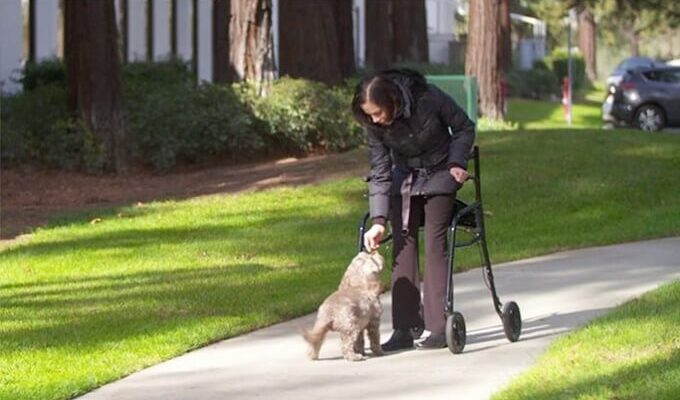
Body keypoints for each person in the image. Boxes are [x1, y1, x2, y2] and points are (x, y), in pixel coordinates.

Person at [351, 69, 475, 351]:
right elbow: (381, 171)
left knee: (434, 243)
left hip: (442, 172)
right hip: (405, 180)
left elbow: (465, 127)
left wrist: (457, 162)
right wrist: (379, 220)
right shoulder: (375, 127)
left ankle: (438, 326)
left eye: (378, 112)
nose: (375, 119)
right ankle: (405, 328)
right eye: (369, 115)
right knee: (402, 246)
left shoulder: (428, 97)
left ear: (393, 99)